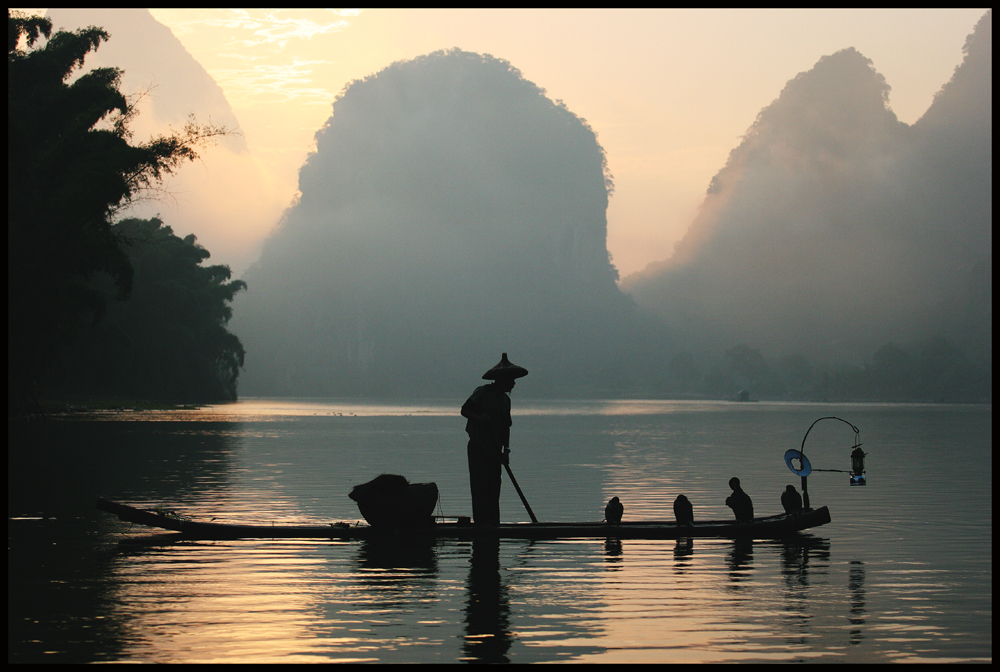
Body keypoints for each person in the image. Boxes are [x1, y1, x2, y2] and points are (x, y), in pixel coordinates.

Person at [461, 353, 528, 526]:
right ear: (501, 379)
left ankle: (492, 524)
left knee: (493, 488)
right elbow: (465, 410)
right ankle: (482, 524)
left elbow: (506, 428)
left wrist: (506, 450)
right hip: (479, 448)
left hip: (495, 451)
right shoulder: (483, 392)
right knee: (480, 488)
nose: (513, 383)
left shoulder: (506, 400)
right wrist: (478, 417)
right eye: (511, 379)